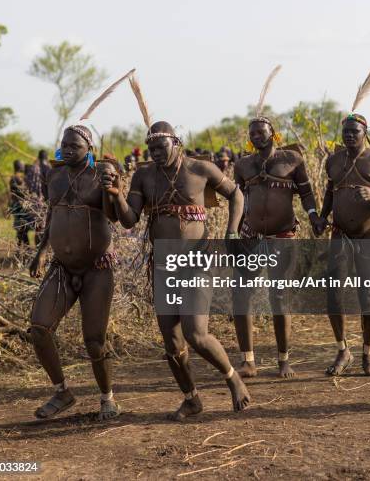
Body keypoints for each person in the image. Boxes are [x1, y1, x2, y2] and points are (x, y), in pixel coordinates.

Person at [100, 121, 251, 421]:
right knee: (172, 342)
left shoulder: (200, 169)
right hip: (163, 265)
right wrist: (116, 194)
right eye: (151, 148)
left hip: (198, 261)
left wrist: (232, 231)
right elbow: (129, 220)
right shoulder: (144, 175)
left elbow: (236, 194)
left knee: (196, 334)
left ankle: (233, 376)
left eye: (161, 147)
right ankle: (191, 398)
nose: (155, 153)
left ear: (176, 142)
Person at [29, 125, 121, 420]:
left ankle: (107, 398)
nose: (68, 149)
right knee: (39, 329)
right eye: (64, 145)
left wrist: (112, 186)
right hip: (62, 267)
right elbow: (52, 215)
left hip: (97, 268)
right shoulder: (54, 177)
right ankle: (62, 392)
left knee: (94, 340)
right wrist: (42, 251)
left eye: (75, 146)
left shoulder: (100, 176)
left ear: (89, 149)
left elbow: (114, 216)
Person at [233, 116, 323, 378]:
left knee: (279, 296)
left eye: (261, 132)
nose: (256, 137)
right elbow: (237, 200)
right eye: (252, 134)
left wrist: (314, 215)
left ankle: (283, 360)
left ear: (273, 133)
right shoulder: (243, 165)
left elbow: (306, 193)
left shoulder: (291, 160)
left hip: (282, 236)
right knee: (241, 295)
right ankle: (247, 360)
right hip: (251, 236)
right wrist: (232, 230)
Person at [317, 113, 370, 376]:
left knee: (367, 296)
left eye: (355, 131)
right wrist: (321, 217)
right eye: (346, 131)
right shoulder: (333, 160)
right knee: (333, 295)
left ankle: (367, 353)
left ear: (365, 133)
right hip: (340, 234)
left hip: (369, 234)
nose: (349, 135)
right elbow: (330, 192)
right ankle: (343, 350)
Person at [9, 160, 30, 248]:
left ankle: (22, 247)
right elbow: (17, 191)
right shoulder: (15, 178)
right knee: (21, 227)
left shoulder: (18, 178)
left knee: (22, 227)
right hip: (19, 205)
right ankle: (23, 247)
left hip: (20, 205)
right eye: (22, 165)